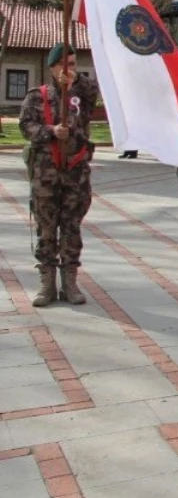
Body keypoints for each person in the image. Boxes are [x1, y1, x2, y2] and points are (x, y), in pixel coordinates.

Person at [19, 44, 99, 307]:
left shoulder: (82, 93)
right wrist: (51, 130)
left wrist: (77, 81)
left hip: (75, 174)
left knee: (72, 228)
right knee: (46, 229)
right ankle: (46, 284)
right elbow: (26, 126)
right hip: (46, 174)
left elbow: (94, 94)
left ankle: (70, 282)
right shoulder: (37, 96)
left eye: (74, 64)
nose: (69, 69)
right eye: (64, 65)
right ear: (52, 67)